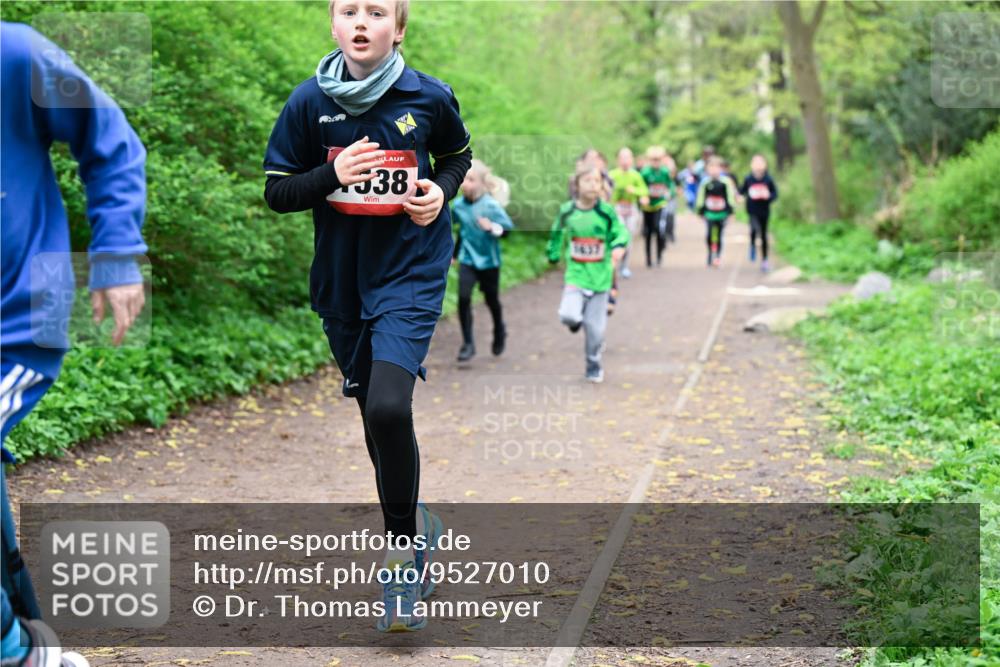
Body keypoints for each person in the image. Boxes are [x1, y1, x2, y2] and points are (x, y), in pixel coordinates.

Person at [263, 0, 468, 632]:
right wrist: (331, 173)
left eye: (376, 11)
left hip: (410, 272)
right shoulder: (308, 103)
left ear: (397, 30)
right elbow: (277, 191)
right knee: (374, 418)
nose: (360, 21)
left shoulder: (429, 97)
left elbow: (456, 158)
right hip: (342, 284)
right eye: (348, 10)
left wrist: (440, 193)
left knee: (387, 407)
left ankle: (402, 559)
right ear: (333, 25)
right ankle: (416, 523)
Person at [2, 22, 150, 667]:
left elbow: (109, 138)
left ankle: (19, 652)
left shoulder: (14, 54)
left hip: (16, 322)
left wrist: (115, 253)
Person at [547, 166, 629, 384]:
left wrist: (619, 245)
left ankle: (593, 364)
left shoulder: (606, 212)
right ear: (577, 185)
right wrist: (553, 254)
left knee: (595, 331)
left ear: (602, 186)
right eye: (587, 181)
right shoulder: (567, 211)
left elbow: (620, 232)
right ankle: (576, 320)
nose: (593, 185)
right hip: (576, 275)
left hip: (600, 278)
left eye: (597, 181)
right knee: (569, 316)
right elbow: (556, 233)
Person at [451, 159, 513, 361]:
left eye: (471, 179)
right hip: (468, 259)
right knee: (463, 298)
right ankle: (467, 343)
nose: (465, 184)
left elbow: (507, 230)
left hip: (489, 262)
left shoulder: (491, 205)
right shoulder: (458, 206)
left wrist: (492, 227)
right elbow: (463, 230)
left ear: (482, 183)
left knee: (491, 300)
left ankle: (499, 330)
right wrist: (454, 254)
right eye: (463, 179)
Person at [608, 148, 649, 279]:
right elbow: (605, 190)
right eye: (622, 158)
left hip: (631, 209)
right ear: (618, 160)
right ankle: (612, 264)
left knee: (629, 238)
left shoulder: (636, 175)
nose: (625, 161)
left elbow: (644, 191)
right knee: (618, 236)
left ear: (632, 160)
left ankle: (624, 267)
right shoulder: (612, 175)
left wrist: (635, 191)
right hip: (616, 209)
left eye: (628, 157)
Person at [695, 156, 738, 267]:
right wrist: (700, 211)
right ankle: (710, 253)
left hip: (722, 214)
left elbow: (730, 198)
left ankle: (717, 256)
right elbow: (701, 197)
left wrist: (731, 212)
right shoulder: (705, 183)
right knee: (709, 235)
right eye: (711, 167)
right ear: (707, 169)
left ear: (721, 169)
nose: (714, 170)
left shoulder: (725, 182)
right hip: (709, 213)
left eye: (716, 167)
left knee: (719, 235)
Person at [740, 154, 779, 272]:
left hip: (764, 210)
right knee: (754, 229)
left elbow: (775, 194)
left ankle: (764, 260)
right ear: (751, 165)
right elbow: (742, 191)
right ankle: (752, 245)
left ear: (765, 165)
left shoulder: (768, 179)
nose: (758, 165)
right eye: (756, 162)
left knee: (763, 235)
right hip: (752, 210)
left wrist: (769, 197)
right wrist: (739, 196)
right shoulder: (748, 179)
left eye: (760, 162)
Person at [639, 146, 676, 267]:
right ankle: (648, 259)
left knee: (659, 229)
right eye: (653, 160)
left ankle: (659, 255)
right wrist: (643, 196)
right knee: (648, 233)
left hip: (660, 204)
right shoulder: (645, 172)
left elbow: (670, 185)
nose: (656, 162)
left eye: (658, 159)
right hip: (647, 206)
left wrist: (669, 192)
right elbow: (640, 186)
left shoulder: (664, 172)